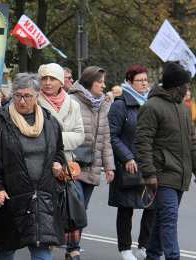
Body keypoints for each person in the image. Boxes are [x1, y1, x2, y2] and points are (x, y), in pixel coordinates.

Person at [0, 73, 68, 260]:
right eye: (17, 96)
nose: (22, 101)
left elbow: (59, 150)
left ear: (37, 95)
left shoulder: (50, 122)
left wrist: (58, 163)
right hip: (10, 196)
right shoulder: (0, 122)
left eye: (27, 96)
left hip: (42, 197)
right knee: (6, 250)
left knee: (42, 252)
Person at [135, 61, 196, 260]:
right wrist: (149, 173)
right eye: (186, 84)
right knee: (169, 219)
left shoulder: (184, 110)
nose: (188, 87)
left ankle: (152, 255)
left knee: (162, 221)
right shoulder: (152, 106)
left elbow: (192, 143)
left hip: (180, 176)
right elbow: (142, 142)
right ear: (178, 85)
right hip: (161, 176)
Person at [37, 63, 85, 260]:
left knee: (73, 203)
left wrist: (55, 138)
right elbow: (35, 134)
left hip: (67, 166)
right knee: (46, 207)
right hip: (42, 163)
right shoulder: (35, 101)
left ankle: (73, 246)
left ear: (60, 82)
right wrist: (61, 137)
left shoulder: (72, 104)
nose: (48, 83)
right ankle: (45, 245)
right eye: (44, 78)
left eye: (53, 79)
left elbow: (80, 135)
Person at [68, 66, 115, 259]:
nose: (104, 85)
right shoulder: (72, 100)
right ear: (89, 82)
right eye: (100, 82)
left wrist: (109, 166)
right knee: (75, 206)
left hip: (93, 164)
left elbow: (105, 137)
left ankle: (72, 244)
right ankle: (73, 248)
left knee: (82, 211)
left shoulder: (102, 104)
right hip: (74, 164)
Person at [108, 65, 155, 260]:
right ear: (129, 82)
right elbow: (112, 135)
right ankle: (125, 249)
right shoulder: (120, 105)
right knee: (126, 208)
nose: (144, 83)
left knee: (151, 207)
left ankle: (144, 246)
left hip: (149, 163)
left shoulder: (151, 103)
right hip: (128, 165)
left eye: (146, 80)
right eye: (140, 80)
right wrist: (127, 157)